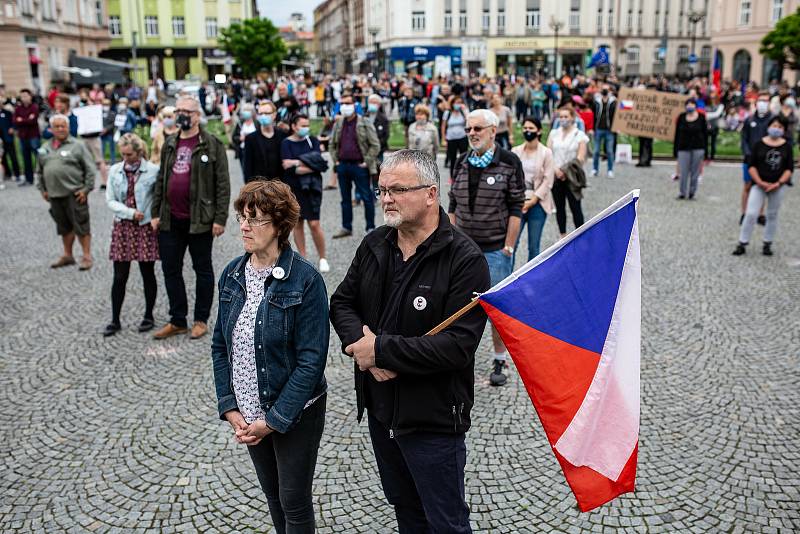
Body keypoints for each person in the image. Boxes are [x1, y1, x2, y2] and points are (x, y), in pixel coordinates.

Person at [330, 149, 490, 534]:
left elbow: (457, 346)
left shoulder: (465, 260)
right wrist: (361, 345)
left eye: (398, 190)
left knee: (446, 522)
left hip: (432, 419)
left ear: (431, 193)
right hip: (381, 411)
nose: (386, 198)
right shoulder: (375, 244)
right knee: (406, 510)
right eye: (382, 189)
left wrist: (382, 350)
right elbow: (342, 302)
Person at [212, 180, 329, 534]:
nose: (244, 226)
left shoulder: (305, 280)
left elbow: (312, 362)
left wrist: (275, 419)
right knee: (274, 497)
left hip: (294, 411)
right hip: (248, 412)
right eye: (242, 218)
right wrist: (229, 405)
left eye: (255, 219)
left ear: (280, 226)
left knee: (294, 500)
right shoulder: (232, 274)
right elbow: (220, 345)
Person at [449, 109, 524, 387]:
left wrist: (509, 245)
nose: (472, 134)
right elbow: (453, 204)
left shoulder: (509, 162)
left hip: (495, 249)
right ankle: (459, 356)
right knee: (459, 304)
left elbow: (517, 205)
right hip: (463, 249)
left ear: (494, 131)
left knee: (496, 308)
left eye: (478, 129)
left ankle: (499, 358)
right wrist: (451, 239)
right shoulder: (461, 161)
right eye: (469, 129)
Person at [151, 95, 230, 340]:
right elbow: (161, 180)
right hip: (170, 218)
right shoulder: (170, 143)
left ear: (197, 115)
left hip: (200, 219)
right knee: (170, 269)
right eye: (178, 110)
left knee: (202, 269)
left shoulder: (212, 144)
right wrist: (155, 212)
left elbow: (223, 185)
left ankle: (200, 319)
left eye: (187, 111)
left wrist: (220, 218)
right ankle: (177, 319)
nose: (181, 114)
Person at [103, 133, 160, 336]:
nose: (125, 158)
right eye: (123, 154)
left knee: (147, 273)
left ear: (139, 152)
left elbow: (159, 197)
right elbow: (110, 200)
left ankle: (148, 316)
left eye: (129, 154)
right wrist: (129, 213)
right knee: (119, 276)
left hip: (144, 227)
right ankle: (114, 319)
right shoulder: (115, 171)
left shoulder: (153, 171)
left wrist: (154, 215)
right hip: (123, 225)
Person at [37, 114, 96, 270]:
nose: (60, 129)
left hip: (75, 193)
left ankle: (87, 256)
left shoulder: (78, 145)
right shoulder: (44, 148)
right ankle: (68, 255)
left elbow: (90, 169)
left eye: (63, 126)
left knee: (81, 225)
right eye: (57, 126)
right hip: (54, 194)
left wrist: (86, 189)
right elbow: (39, 171)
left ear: (68, 127)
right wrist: (42, 189)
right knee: (63, 227)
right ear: (51, 129)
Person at [733, 115, 794, 257]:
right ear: (768, 127)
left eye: (779, 127)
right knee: (751, 213)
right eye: (774, 126)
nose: (776, 129)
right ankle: (742, 242)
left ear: (784, 130)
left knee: (772, 215)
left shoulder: (787, 147)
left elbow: (789, 168)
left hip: (777, 186)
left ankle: (767, 243)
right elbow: (752, 165)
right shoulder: (759, 144)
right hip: (759, 184)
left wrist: (778, 183)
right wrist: (759, 181)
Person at [281, 114, 330, 273]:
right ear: (294, 126)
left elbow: (319, 164)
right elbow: (287, 167)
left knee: (314, 224)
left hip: (313, 188)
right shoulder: (286, 143)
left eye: (307, 124)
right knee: (298, 223)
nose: (306, 128)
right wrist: (309, 163)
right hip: (294, 188)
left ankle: (323, 258)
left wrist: (296, 162)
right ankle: (303, 259)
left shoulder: (313, 141)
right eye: (303, 125)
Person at [328, 93, 380, 239]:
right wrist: (336, 160)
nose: (345, 107)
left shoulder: (364, 122)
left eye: (348, 103)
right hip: (343, 166)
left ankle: (370, 227)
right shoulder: (339, 123)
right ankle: (346, 227)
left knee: (367, 197)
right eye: (342, 104)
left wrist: (367, 162)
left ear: (354, 105)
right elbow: (332, 144)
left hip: (360, 166)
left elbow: (375, 145)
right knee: (345, 199)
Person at [511, 117, 555, 263]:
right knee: (512, 244)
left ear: (539, 131)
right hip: (518, 201)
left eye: (531, 128)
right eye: (525, 128)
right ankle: (507, 279)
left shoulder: (546, 153)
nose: (527, 131)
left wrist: (534, 198)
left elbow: (549, 179)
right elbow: (510, 176)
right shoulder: (515, 151)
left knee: (534, 246)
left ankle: (530, 283)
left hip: (538, 203)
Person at [547, 106, 589, 238]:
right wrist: (555, 170)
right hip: (556, 175)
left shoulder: (580, 135)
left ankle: (580, 234)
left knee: (575, 206)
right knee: (560, 207)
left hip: (571, 176)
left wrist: (565, 171)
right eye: (561, 117)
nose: (563, 119)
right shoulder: (554, 133)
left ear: (572, 118)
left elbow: (580, 157)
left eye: (566, 117)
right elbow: (548, 153)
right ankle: (562, 235)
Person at [673, 98, 708, 200]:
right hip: (683, 148)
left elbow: (705, 135)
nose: (689, 106)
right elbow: (677, 134)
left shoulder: (701, 118)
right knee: (683, 171)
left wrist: (706, 151)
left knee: (695, 171)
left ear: (695, 106)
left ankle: (692, 192)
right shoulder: (681, 117)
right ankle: (682, 192)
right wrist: (675, 149)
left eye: (692, 104)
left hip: (698, 147)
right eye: (688, 104)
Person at [243, 100, 286, 182]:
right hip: (259, 187)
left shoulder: (282, 136)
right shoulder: (251, 139)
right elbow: (247, 167)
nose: (263, 116)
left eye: (267, 113)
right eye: (261, 113)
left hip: (279, 186)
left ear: (274, 115)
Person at [12, 88, 40, 186]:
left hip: (33, 136)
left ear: (30, 96)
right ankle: (29, 179)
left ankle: (42, 177)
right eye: (22, 96)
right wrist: (26, 119)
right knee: (26, 158)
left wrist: (22, 120)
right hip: (23, 137)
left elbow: (32, 121)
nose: (23, 98)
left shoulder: (34, 107)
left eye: (25, 96)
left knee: (39, 157)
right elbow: (15, 120)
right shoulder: (18, 109)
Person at [592, 84, 616, 178]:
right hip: (598, 129)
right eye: (603, 89)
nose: (604, 91)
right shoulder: (597, 101)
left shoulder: (613, 101)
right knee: (596, 151)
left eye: (606, 89)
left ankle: (610, 170)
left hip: (609, 130)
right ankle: (595, 169)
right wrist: (593, 128)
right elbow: (593, 114)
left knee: (610, 151)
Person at [441, 95, 469, 171]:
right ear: (453, 103)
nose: (458, 104)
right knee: (452, 158)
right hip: (451, 138)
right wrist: (443, 139)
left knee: (464, 157)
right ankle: (452, 176)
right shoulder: (448, 113)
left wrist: (465, 110)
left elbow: (469, 121)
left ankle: (463, 174)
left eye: (460, 103)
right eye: (457, 103)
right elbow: (443, 126)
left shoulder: (463, 112)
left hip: (462, 137)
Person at [232, 103, 258, 176]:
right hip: (243, 151)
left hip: (255, 150)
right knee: (245, 172)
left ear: (252, 112)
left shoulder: (257, 123)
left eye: (248, 110)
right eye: (245, 110)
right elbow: (234, 137)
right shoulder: (240, 123)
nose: (246, 112)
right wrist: (240, 138)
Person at [0, 100, 21, 186]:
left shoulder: (7, 113)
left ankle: (17, 174)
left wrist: (12, 128)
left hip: (8, 137)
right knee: (2, 158)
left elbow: (14, 122)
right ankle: (7, 174)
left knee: (13, 156)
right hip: (0, 140)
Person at [366, 94, 389, 164]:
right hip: (365, 150)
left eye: (375, 102)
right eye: (371, 102)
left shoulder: (383, 119)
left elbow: (386, 135)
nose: (372, 104)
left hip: (379, 150)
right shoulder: (364, 117)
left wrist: (376, 146)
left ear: (379, 105)